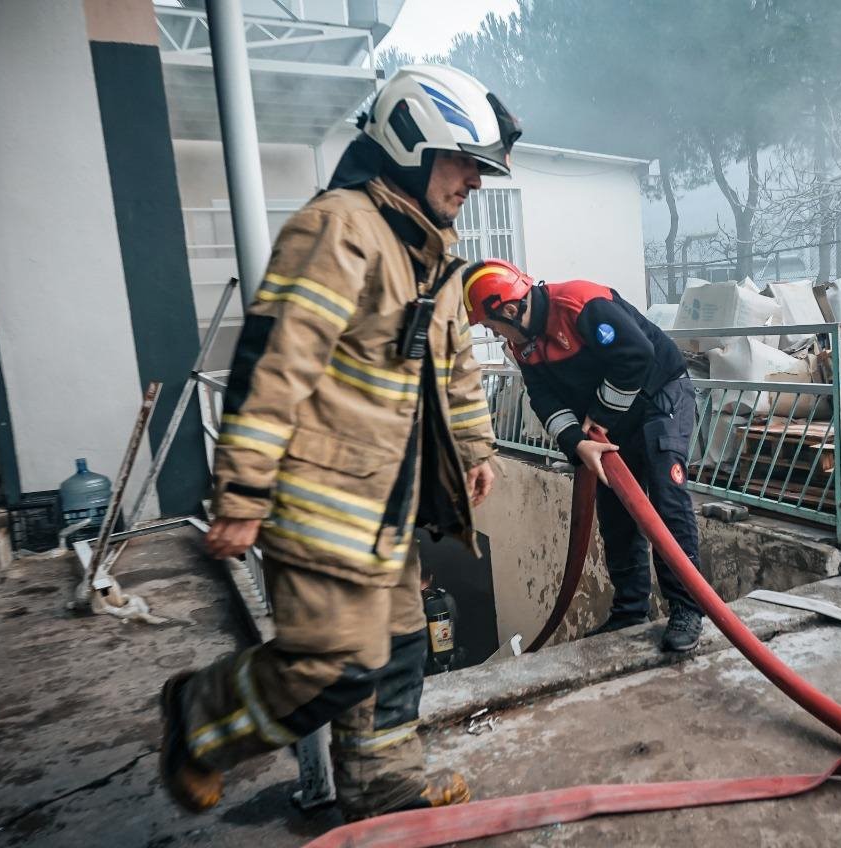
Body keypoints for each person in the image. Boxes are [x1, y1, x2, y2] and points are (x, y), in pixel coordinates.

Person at [158, 65, 520, 817]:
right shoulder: (339, 229)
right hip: (322, 504)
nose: (474, 182)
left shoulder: (427, 251)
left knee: (400, 646)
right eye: (464, 162)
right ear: (413, 144)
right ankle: (199, 715)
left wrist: (475, 449)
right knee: (333, 665)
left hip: (389, 508)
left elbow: (452, 362)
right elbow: (274, 364)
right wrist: (242, 491)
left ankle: (381, 784)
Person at [462, 259, 707, 652]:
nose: (492, 333)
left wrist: (600, 418)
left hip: (659, 399)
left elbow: (636, 356)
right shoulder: (523, 345)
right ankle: (631, 611)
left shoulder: (580, 304)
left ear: (509, 309)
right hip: (608, 422)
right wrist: (578, 442)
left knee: (665, 501)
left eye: (491, 325)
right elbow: (543, 399)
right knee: (615, 511)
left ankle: (687, 608)